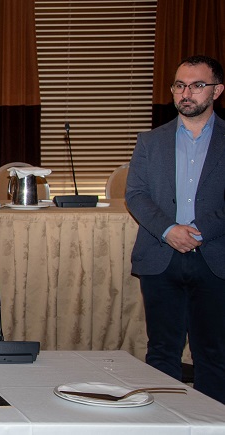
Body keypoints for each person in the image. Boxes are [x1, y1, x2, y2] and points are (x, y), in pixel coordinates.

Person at [126, 54, 225, 404]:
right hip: (160, 257)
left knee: (213, 354)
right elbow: (135, 194)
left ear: (217, 90)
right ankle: (165, 422)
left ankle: (212, 423)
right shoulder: (150, 141)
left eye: (197, 85)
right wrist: (169, 229)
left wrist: (197, 231)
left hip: (215, 258)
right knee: (161, 352)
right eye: (180, 85)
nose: (186, 93)